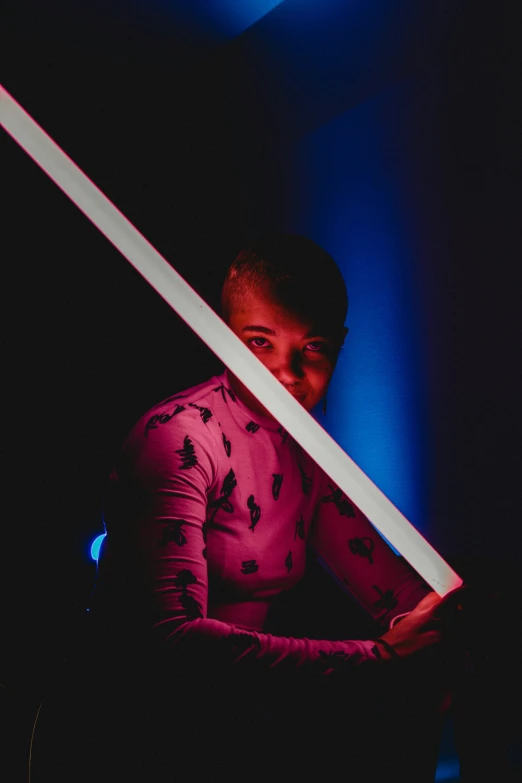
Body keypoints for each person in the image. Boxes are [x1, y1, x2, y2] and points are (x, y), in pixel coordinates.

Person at [81, 234, 465, 782]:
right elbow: (171, 640)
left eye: (312, 346)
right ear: (222, 333)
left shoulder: (303, 448)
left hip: (239, 721)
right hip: (139, 729)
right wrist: (378, 659)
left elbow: (398, 592)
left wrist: (445, 629)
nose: (286, 373)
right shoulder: (178, 440)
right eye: (260, 342)